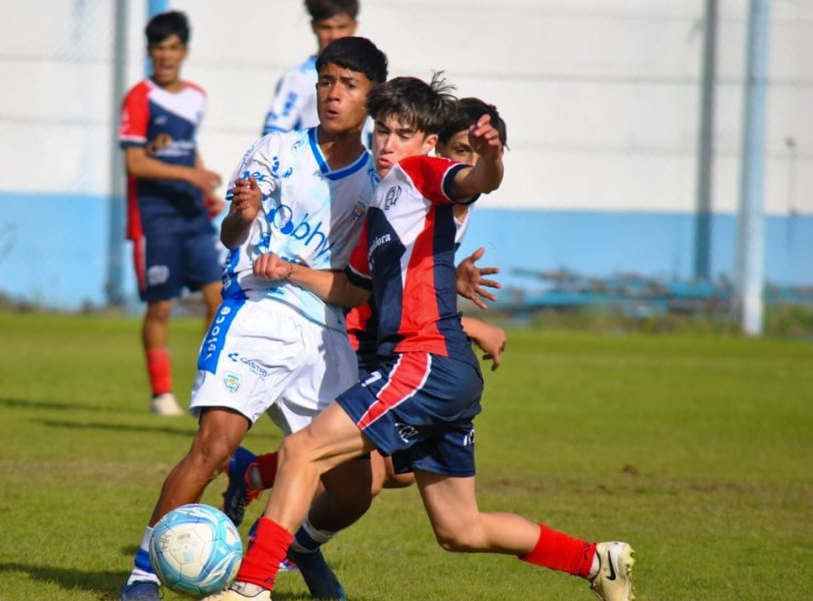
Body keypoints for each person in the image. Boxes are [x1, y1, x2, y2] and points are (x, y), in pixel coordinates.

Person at [204, 75, 635, 601]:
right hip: (444, 370)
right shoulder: (380, 205)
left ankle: (250, 587)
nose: (387, 144)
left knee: (303, 450)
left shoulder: (421, 174)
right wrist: (290, 271)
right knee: (460, 529)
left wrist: (490, 158)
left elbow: (476, 181)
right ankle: (597, 561)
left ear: (427, 142)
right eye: (381, 131)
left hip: (423, 360)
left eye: (402, 133)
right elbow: (352, 288)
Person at [119, 36, 389, 601]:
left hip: (323, 332)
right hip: (255, 312)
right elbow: (230, 236)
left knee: (356, 486)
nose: (332, 94)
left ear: (372, 99)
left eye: (348, 85)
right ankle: (143, 576)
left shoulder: (375, 186)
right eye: (326, 81)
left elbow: (355, 288)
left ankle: (298, 548)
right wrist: (241, 218)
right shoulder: (275, 152)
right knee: (212, 448)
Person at [224, 97, 512, 521]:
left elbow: (410, 280)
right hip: (363, 339)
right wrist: (467, 322)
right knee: (355, 470)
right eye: (459, 149)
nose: (463, 159)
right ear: (437, 149)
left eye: (476, 150)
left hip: (393, 343)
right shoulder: (413, 187)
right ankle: (280, 556)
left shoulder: (445, 204)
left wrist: (451, 280)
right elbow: (378, 285)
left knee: (396, 473)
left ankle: (254, 475)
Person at [119, 10, 226, 417]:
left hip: (192, 214)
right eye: (158, 49)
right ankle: (161, 394)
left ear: (184, 51)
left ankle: (207, 387)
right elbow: (136, 164)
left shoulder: (196, 96)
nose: (166, 56)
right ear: (149, 53)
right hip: (153, 217)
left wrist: (203, 190)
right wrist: (191, 175)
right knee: (160, 306)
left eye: (173, 48)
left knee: (218, 298)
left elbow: (186, 147)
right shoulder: (139, 98)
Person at [263, 0, 359, 135]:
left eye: (341, 27)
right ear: (314, 27)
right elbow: (272, 135)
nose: (334, 36)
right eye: (326, 27)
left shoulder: (366, 77)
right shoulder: (299, 77)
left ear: (354, 26)